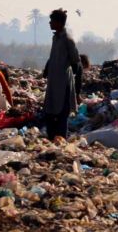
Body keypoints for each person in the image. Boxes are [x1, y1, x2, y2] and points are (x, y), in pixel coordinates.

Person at [42, 8, 82, 141]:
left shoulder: (67, 40)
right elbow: (53, 56)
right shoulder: (56, 38)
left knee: (62, 113)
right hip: (53, 81)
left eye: (51, 21)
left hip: (63, 83)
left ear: (59, 22)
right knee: (49, 111)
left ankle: (61, 140)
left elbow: (76, 62)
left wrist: (76, 89)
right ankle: (52, 138)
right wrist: (47, 68)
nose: (49, 23)